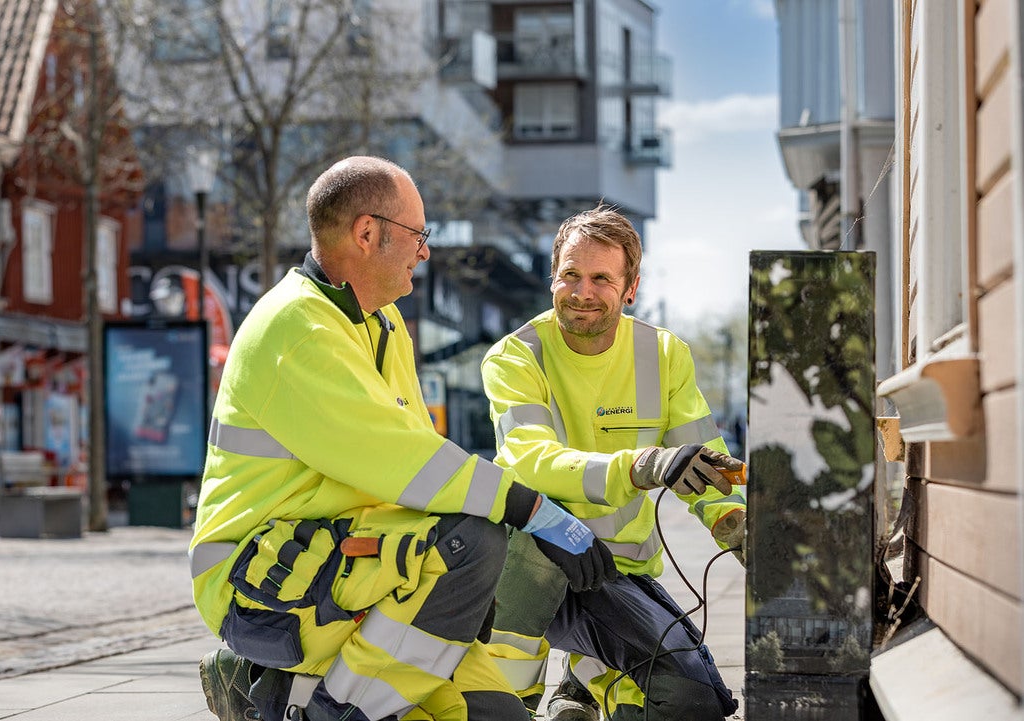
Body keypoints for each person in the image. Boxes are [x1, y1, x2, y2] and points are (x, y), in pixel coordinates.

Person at [190, 156, 616, 721]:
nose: (426, 251)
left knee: (498, 714)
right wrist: (533, 511)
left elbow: (419, 468)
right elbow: (407, 462)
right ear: (367, 234)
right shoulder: (297, 329)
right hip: (261, 580)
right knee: (473, 542)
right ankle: (314, 708)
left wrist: (455, 603)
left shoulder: (381, 323)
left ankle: (308, 692)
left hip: (342, 560)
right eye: (419, 234)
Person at [480, 205, 747, 721]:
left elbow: (706, 464)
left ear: (631, 288)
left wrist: (735, 525)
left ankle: (587, 682)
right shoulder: (515, 357)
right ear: (551, 278)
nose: (582, 292)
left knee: (694, 701)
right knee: (529, 570)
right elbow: (531, 460)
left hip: (617, 575)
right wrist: (642, 465)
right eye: (570, 275)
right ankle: (504, 705)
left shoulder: (664, 355)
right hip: (533, 568)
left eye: (601, 278)